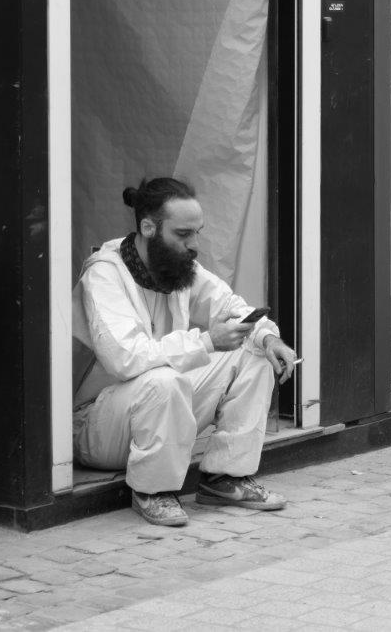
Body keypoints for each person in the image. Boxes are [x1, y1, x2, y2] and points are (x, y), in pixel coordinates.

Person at [71, 177, 298, 527]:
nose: (194, 245)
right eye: (182, 234)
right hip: (96, 427)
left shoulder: (178, 266)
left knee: (253, 354)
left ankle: (224, 477)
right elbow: (125, 359)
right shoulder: (104, 274)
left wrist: (268, 338)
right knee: (164, 380)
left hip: (161, 405)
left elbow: (230, 306)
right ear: (148, 228)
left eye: (197, 233)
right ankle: (153, 491)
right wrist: (206, 342)